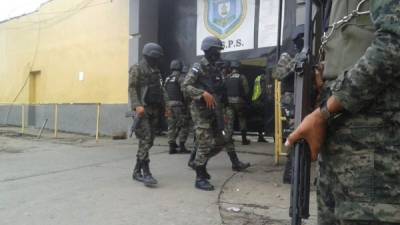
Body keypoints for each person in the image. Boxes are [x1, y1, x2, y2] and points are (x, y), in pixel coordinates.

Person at [285, 0, 400, 224]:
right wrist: (324, 73)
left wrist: (325, 112)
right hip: (337, 132)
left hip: (374, 137)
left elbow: (393, 45)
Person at [182, 36, 250, 191]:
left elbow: (220, 88)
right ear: (209, 50)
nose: (219, 53)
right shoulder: (198, 66)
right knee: (205, 142)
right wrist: (202, 93)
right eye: (217, 50)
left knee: (221, 141)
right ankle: (199, 177)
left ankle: (200, 163)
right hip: (201, 112)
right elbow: (186, 86)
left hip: (215, 110)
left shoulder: (217, 68)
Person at [128, 42, 164, 187]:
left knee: (149, 141)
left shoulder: (156, 71)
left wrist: (165, 106)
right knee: (146, 138)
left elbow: (161, 89)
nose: (156, 60)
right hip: (142, 110)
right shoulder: (137, 69)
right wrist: (137, 105)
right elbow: (131, 88)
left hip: (154, 109)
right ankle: (146, 172)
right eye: (154, 57)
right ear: (148, 56)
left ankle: (136, 171)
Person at [164, 59, 191, 154]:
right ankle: (182, 146)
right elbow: (185, 92)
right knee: (184, 125)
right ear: (179, 67)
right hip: (179, 106)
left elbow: (164, 92)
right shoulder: (180, 77)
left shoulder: (167, 78)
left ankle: (172, 146)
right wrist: (187, 103)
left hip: (168, 105)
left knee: (171, 125)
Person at [224, 60, 251, 145]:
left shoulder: (227, 77)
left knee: (229, 121)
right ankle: (244, 140)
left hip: (228, 101)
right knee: (242, 119)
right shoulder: (241, 77)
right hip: (239, 102)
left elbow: (224, 89)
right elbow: (246, 90)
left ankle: (228, 139)